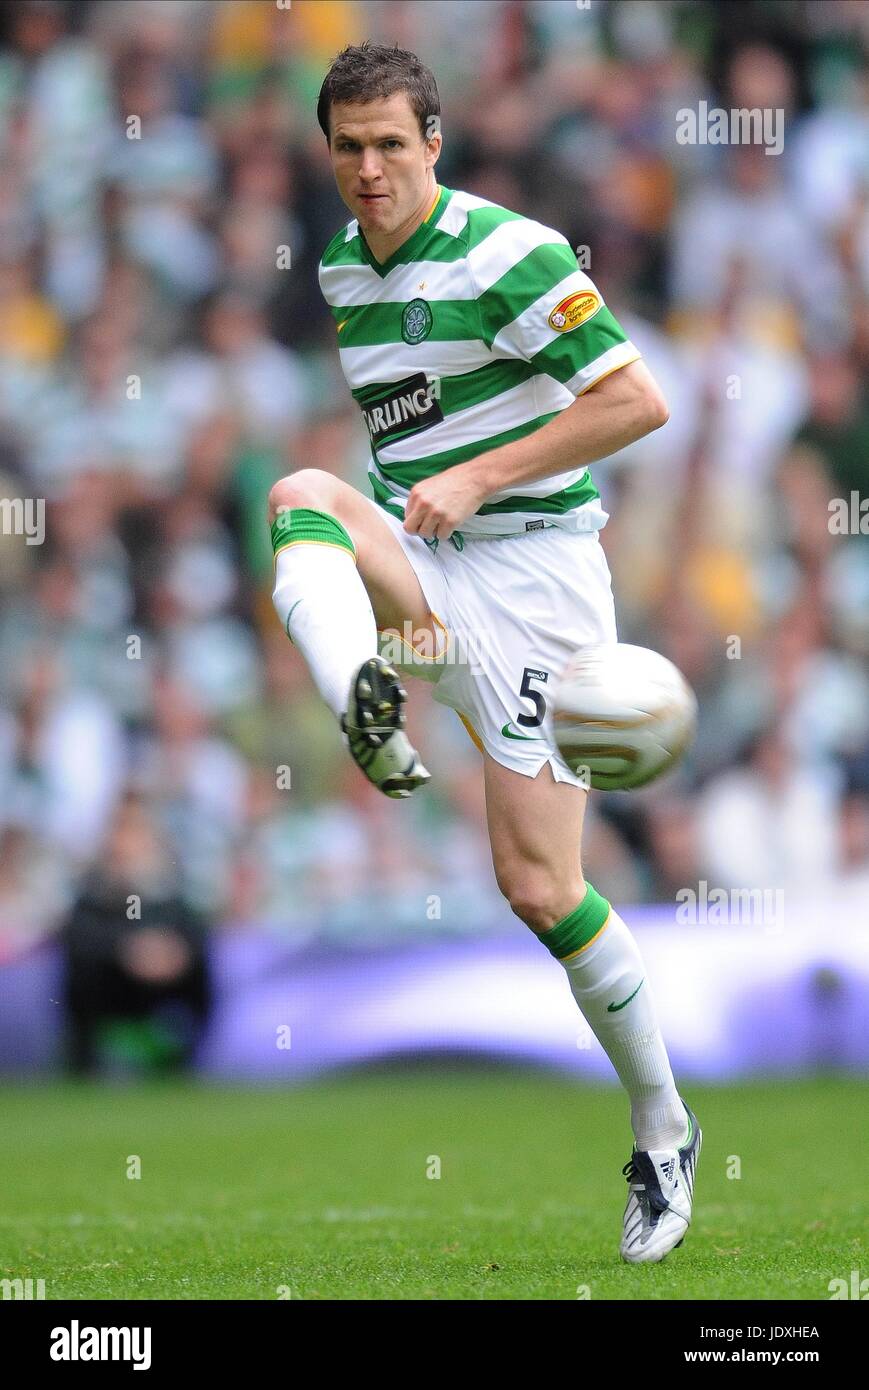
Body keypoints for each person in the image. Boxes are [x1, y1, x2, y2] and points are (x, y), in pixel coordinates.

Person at [268, 42, 699, 1263]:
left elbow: (634, 400)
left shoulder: (510, 251)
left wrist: (479, 470)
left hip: (540, 579)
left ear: (433, 142)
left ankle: (663, 1125)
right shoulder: (345, 269)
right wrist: (433, 494)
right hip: (432, 563)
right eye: (347, 147)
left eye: (389, 145)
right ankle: (367, 693)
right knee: (303, 491)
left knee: (535, 887)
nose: (368, 170)